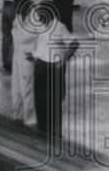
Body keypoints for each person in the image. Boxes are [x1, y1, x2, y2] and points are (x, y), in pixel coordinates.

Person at [32, 9, 80, 141]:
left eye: (41, 15)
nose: (39, 17)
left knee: (55, 99)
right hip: (40, 65)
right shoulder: (39, 26)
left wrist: (65, 58)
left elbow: (74, 43)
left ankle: (55, 132)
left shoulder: (59, 27)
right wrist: (34, 56)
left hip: (55, 66)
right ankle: (42, 130)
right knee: (39, 99)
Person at [10, 0, 38, 127]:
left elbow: (44, 39)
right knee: (16, 88)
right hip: (17, 55)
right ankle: (17, 115)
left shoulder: (37, 18)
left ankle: (30, 120)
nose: (16, 8)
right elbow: (14, 36)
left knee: (27, 89)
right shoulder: (19, 16)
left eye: (17, 4)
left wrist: (36, 54)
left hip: (28, 56)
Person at [0, 0, 26, 73]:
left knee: (6, 36)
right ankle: (11, 60)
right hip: (15, 6)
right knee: (15, 34)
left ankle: (5, 60)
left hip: (5, 6)